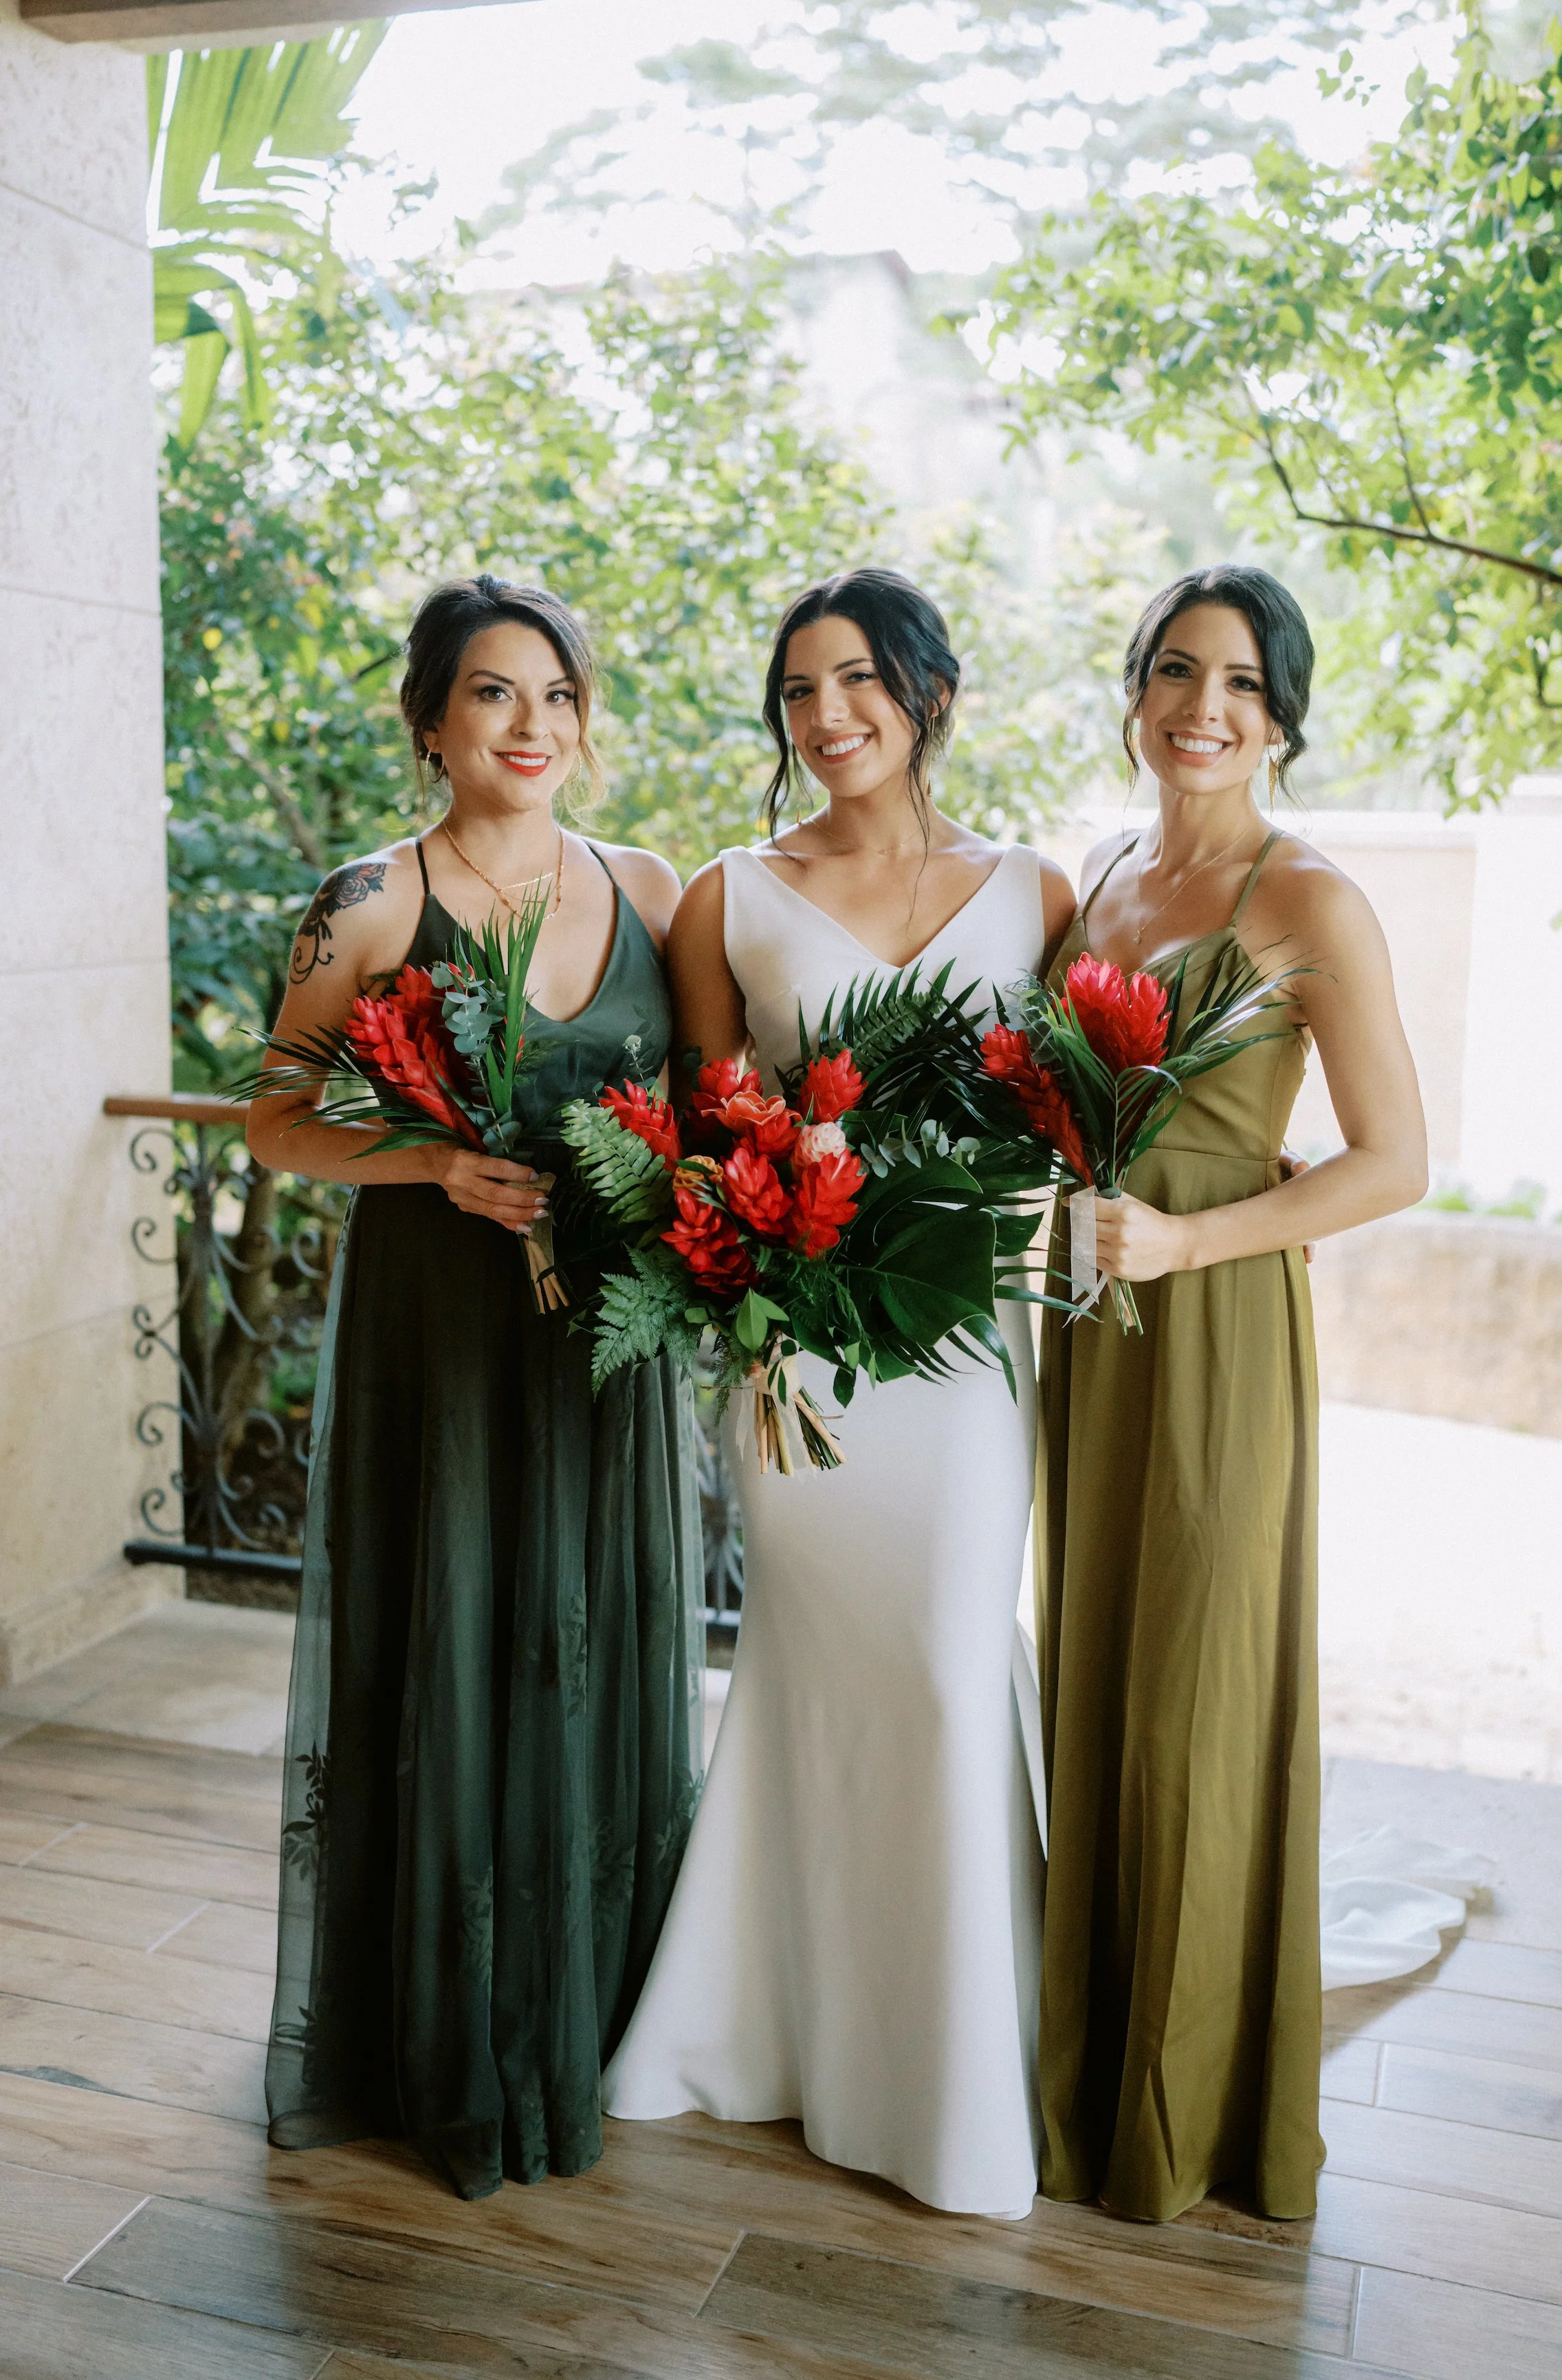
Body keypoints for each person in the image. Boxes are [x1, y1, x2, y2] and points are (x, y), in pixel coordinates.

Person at [602, 567, 1077, 2221]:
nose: (828, 717)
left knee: (951, 1675)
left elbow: (1080, 1120)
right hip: (798, 1364)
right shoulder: (727, 895)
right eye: (799, 689)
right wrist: (746, 1292)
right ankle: (773, 2033)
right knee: (813, 1678)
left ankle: (952, 2078)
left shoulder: (1039, 887)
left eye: (860, 680)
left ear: (930, 693)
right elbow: (706, 1136)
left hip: (961, 1355)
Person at [248, 572, 704, 2202]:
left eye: (558, 695)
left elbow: (708, 1112)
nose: (532, 726)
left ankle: (600, 2019)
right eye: (495, 695)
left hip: (603, 1354)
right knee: (448, 1649)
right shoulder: (368, 900)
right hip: (439, 1345)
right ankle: (436, 2036)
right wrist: (433, 1160)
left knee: (590, 1648)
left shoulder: (647, 885)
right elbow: (279, 1123)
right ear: (431, 720)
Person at [1034, 564, 1429, 2225]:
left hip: (1211, 1329)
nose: (1206, 708)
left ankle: (1182, 2117)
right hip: (1088, 1333)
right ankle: (1077, 2058)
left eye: (1244, 686)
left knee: (1199, 1707)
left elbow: (1396, 1163)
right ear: (1136, 693)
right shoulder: (1103, 875)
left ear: (1282, 716)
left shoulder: (1310, 898)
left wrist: (1191, 1244)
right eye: (1177, 672)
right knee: (1097, 1682)